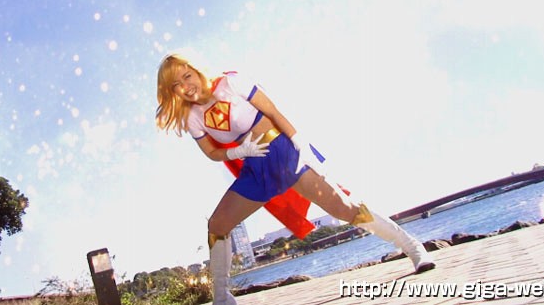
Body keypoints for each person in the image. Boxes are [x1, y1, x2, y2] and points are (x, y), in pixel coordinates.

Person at [155, 54, 435, 305]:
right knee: (218, 225)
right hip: (255, 166)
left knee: (345, 208)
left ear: (197, 70)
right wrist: (238, 152)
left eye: (187, 76)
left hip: (286, 153)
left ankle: (412, 247)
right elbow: (212, 153)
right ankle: (222, 298)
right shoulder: (191, 117)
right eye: (175, 85)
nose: (185, 86)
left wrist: (301, 145)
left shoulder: (231, 82)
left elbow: (274, 112)